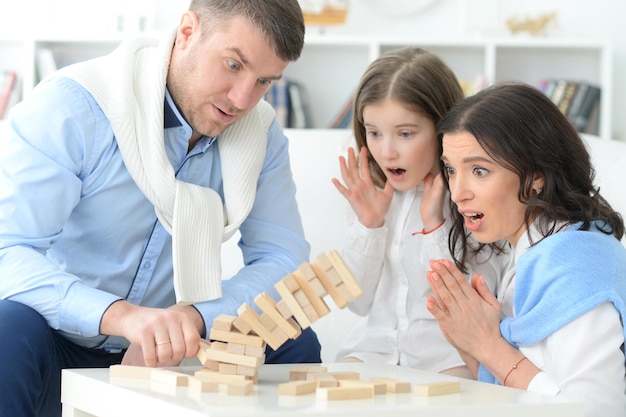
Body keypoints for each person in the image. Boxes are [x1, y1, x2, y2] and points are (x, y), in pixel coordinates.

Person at [0, 1, 322, 416]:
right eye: (232, 65)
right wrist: (122, 317)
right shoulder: (73, 107)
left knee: (296, 339)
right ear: (187, 32)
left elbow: (284, 258)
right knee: (5, 327)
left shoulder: (260, 132)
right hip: (60, 341)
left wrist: (195, 317)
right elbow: (8, 251)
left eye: (263, 80)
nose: (243, 99)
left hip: (177, 349)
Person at [427, 82, 626, 417]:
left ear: (536, 176)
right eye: (450, 169)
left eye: (479, 171)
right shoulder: (534, 250)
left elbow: (597, 411)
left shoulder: (574, 268)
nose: (458, 192)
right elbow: (517, 390)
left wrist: (487, 345)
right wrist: (469, 344)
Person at [331, 47, 510, 377]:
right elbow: (357, 303)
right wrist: (370, 226)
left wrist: (434, 227)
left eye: (405, 134)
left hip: (448, 356)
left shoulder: (471, 196)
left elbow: (470, 304)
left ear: (443, 128)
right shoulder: (368, 196)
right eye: (374, 132)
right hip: (375, 348)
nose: (386, 152)